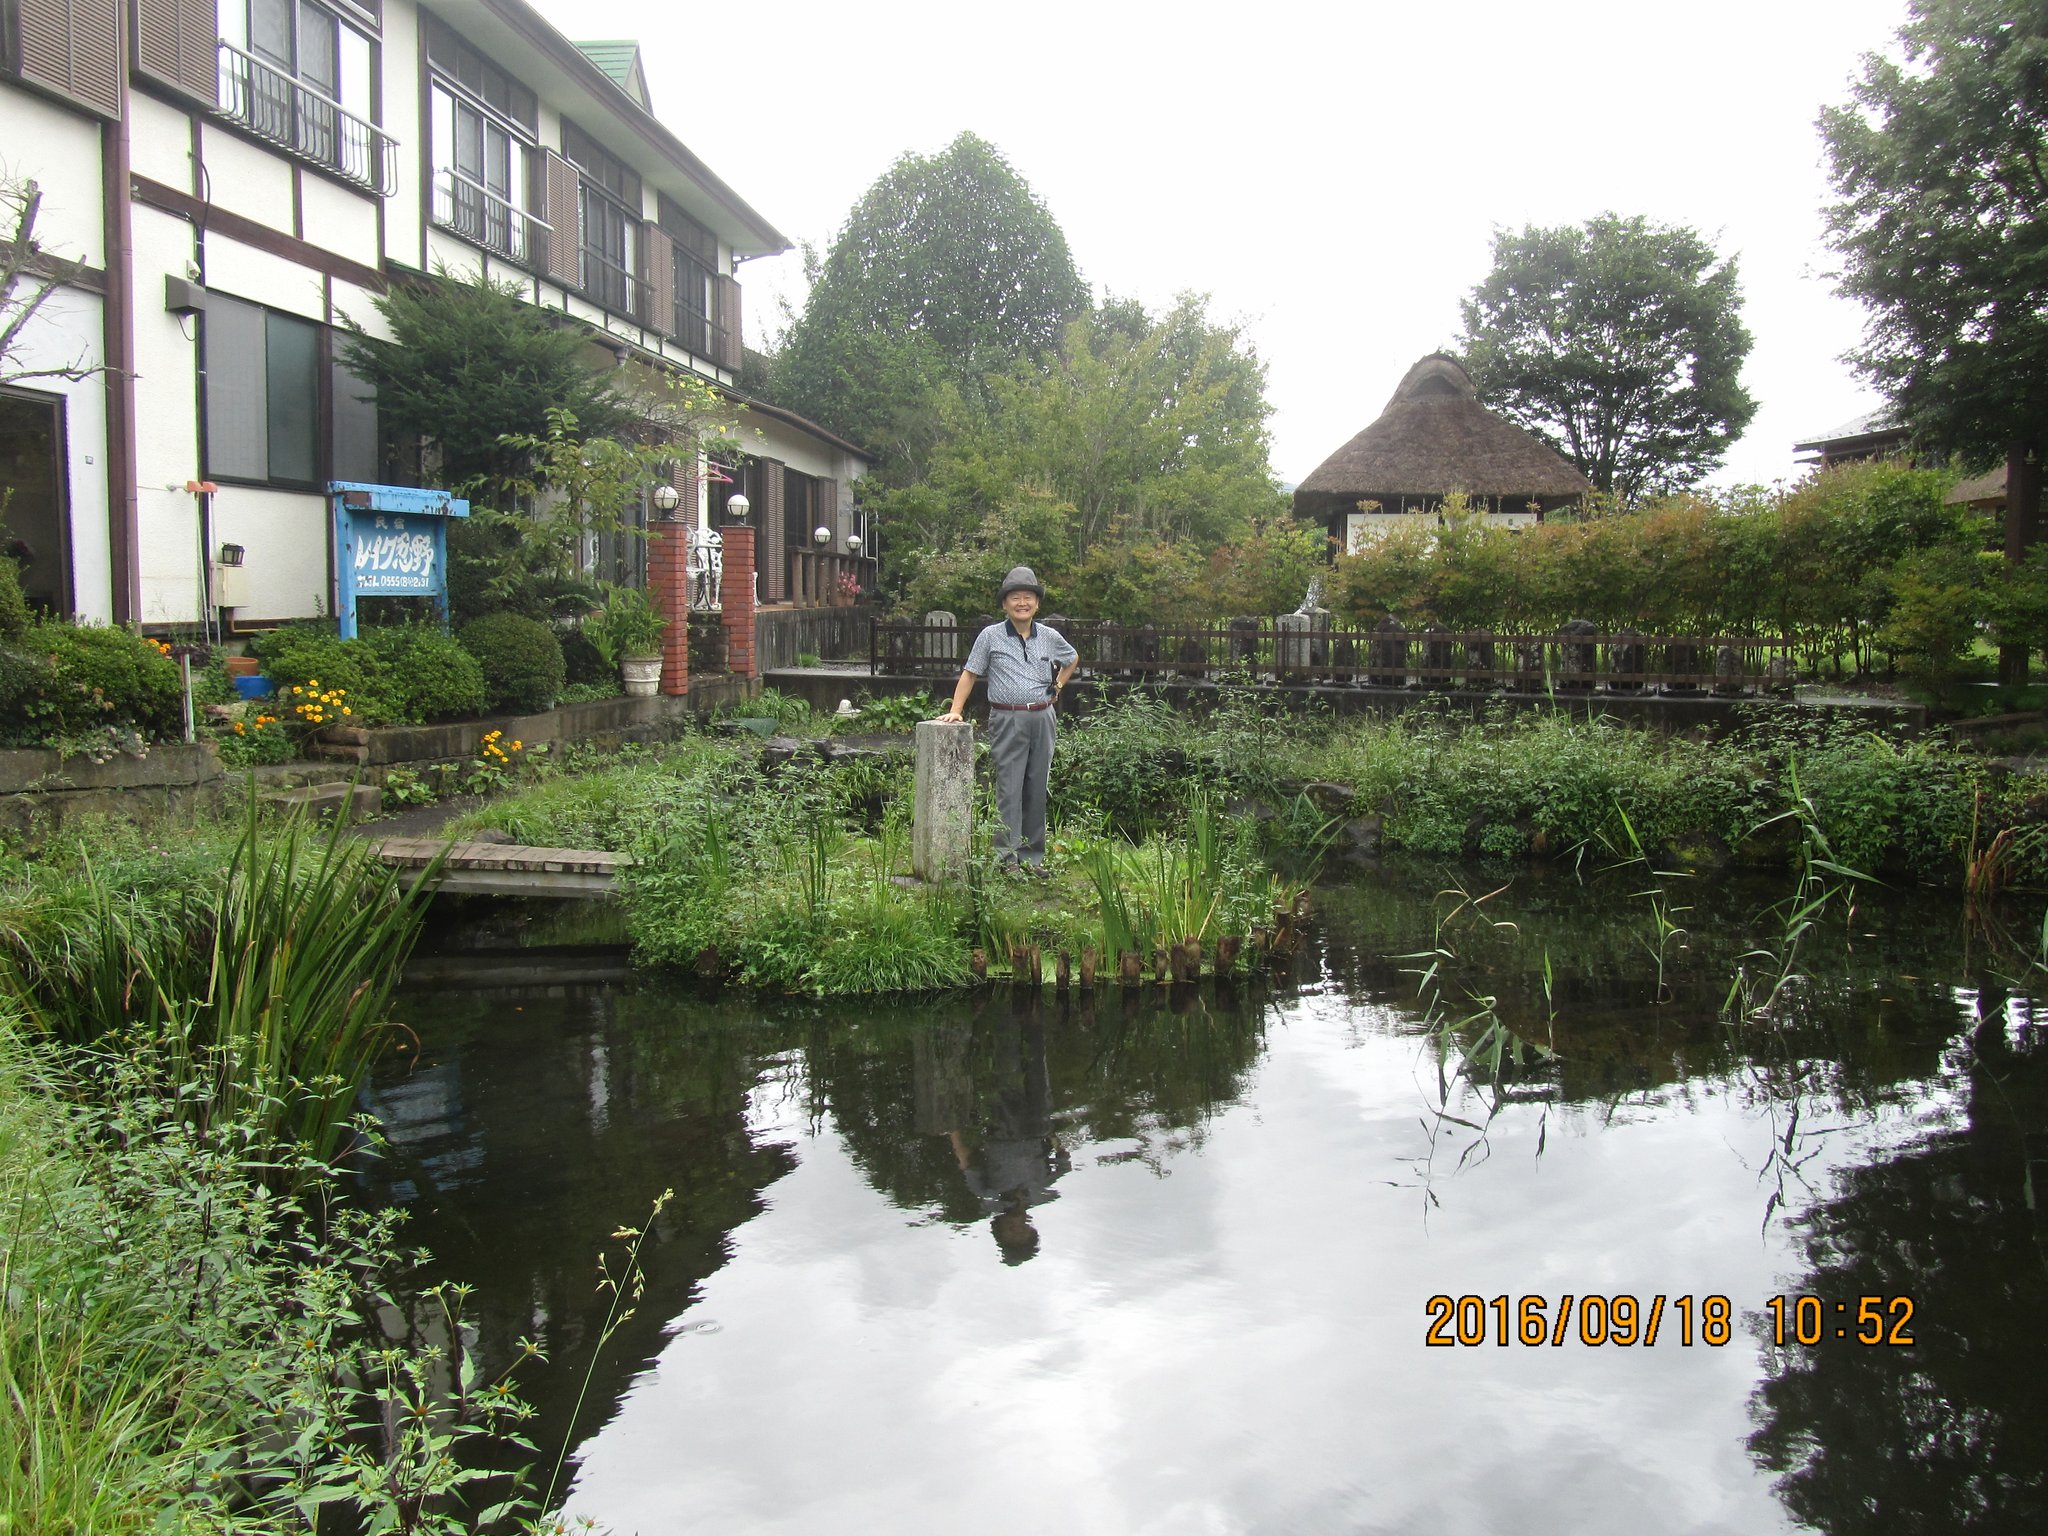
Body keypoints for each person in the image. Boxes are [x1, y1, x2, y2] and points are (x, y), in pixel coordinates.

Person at [936, 566, 1078, 872]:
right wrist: (957, 708)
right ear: (1005, 604)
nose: (1022, 603)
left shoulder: (1050, 636)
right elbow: (970, 672)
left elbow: (1072, 659)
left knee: (1036, 788)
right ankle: (1006, 858)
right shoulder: (991, 636)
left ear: (1037, 604)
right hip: (1007, 718)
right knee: (1009, 788)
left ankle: (1032, 858)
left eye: (1028, 597)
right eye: (1015, 597)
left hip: (1042, 718)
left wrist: (1059, 686)